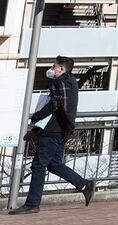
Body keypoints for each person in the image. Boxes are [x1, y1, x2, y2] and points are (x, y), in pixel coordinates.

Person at [10, 55, 95, 215]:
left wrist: (36, 118)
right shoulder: (70, 83)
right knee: (54, 164)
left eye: (54, 66)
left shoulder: (60, 83)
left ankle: (32, 204)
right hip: (61, 130)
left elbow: (53, 107)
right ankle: (84, 185)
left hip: (53, 131)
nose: (52, 69)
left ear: (62, 69)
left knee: (38, 165)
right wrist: (37, 129)